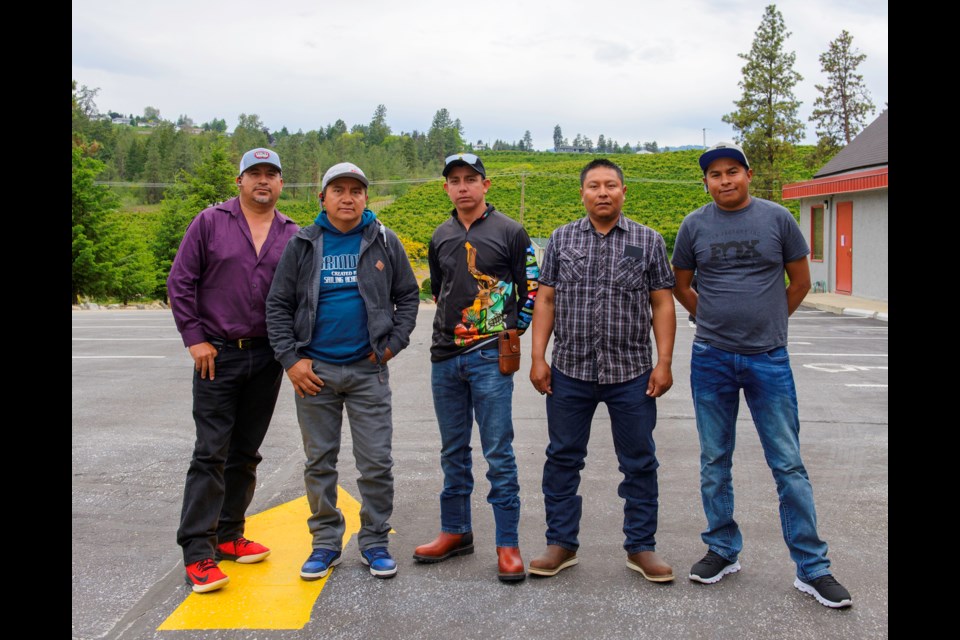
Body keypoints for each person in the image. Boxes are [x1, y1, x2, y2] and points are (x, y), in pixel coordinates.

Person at [672, 141, 853, 608]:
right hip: (711, 357)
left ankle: (813, 568)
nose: (725, 180)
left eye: (733, 171)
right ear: (706, 182)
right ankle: (721, 549)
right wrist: (708, 319)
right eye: (715, 174)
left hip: (767, 358)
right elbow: (682, 284)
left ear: (748, 175)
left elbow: (800, 282)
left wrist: (772, 321)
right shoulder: (694, 226)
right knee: (715, 461)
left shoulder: (778, 220)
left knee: (788, 464)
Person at [265, 162, 419, 581]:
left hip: (368, 371)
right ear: (323, 198)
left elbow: (408, 297)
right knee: (320, 462)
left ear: (366, 197)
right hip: (315, 374)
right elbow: (277, 306)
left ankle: (374, 541)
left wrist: (389, 348)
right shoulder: (303, 244)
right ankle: (326, 544)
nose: (347, 197)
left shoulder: (384, 240)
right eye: (338, 190)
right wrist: (291, 361)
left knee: (376, 463)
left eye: (356, 190)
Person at [527, 158, 677, 582]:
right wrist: (539, 357)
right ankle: (561, 543)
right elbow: (547, 299)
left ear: (624, 192)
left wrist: (663, 362)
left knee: (640, 461)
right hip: (570, 371)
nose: (603, 192)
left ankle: (641, 547)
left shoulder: (648, 241)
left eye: (611, 185)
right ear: (583, 194)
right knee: (562, 458)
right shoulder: (562, 239)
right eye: (594, 186)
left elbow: (662, 302)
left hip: (631, 372)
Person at [167, 147, 299, 593]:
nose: (263, 181)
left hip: (267, 356)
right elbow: (180, 281)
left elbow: (300, 297)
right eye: (254, 174)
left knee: (246, 451)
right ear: (239, 181)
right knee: (210, 452)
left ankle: (229, 535)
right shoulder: (210, 222)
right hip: (216, 354)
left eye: (271, 174)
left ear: (281, 183)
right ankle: (198, 552)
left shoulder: (292, 233)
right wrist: (194, 337)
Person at [413, 152, 539, 582]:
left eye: (471, 178)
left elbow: (533, 289)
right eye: (455, 180)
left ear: (486, 185)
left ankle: (508, 544)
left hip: (490, 356)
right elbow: (440, 286)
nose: (463, 186)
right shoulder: (441, 235)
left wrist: (514, 330)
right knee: (453, 451)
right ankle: (455, 532)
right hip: (445, 356)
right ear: (446, 187)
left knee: (498, 453)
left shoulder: (511, 231)